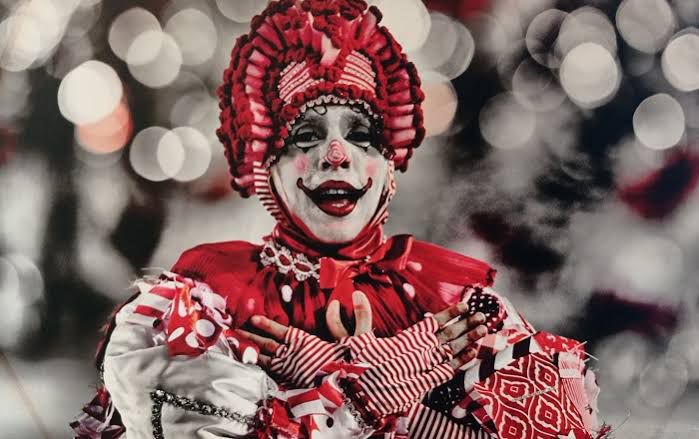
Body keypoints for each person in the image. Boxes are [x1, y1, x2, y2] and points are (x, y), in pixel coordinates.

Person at [72, 1, 605, 437]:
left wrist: (374, 392)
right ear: (266, 165)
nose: (336, 155)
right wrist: (359, 395)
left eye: (361, 135)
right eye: (305, 136)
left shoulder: (455, 304)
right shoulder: (205, 296)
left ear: (388, 163)